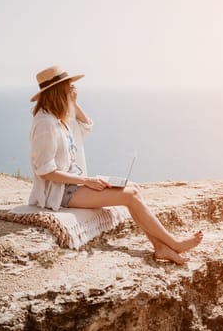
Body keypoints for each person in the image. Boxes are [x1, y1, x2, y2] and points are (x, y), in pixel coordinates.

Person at [28, 65, 203, 264]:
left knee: (133, 188)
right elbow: (46, 171)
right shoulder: (46, 124)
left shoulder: (59, 117)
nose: (73, 89)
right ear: (59, 90)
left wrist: (74, 104)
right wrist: (87, 180)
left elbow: (86, 125)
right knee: (129, 196)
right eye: (69, 86)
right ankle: (174, 243)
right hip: (61, 192)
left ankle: (161, 248)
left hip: (74, 183)